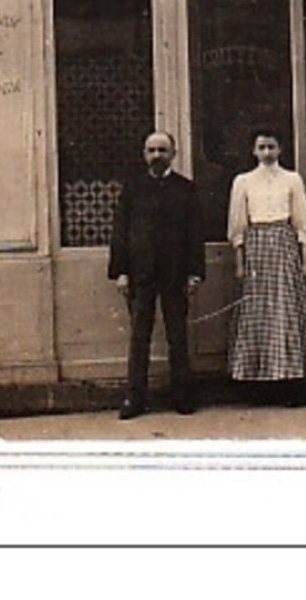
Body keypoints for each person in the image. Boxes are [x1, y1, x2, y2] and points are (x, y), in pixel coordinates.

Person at [108, 131, 203, 420]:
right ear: (144, 154)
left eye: (163, 150)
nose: (157, 155)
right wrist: (121, 272)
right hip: (141, 273)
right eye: (151, 150)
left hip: (175, 273)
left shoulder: (186, 189)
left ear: (173, 154)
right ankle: (134, 399)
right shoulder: (134, 188)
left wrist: (194, 272)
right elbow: (120, 232)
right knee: (139, 337)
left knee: (178, 335)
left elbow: (195, 234)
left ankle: (182, 396)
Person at [225, 128, 306, 404]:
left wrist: (305, 261)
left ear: (280, 150)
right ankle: (257, 384)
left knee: (285, 310)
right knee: (257, 313)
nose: (267, 153)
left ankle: (289, 382)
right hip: (256, 246)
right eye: (262, 147)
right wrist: (240, 262)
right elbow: (237, 224)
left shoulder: (292, 179)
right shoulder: (243, 181)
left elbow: (302, 220)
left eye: (272, 147)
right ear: (254, 151)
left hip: (283, 243)